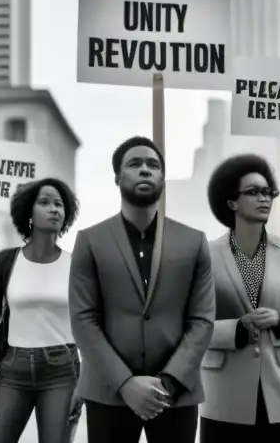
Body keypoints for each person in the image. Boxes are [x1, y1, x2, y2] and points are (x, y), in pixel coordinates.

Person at [69, 135, 215, 443]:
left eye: (153, 165)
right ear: (117, 177)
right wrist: (125, 383)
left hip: (175, 393)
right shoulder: (90, 241)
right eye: (134, 164)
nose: (145, 170)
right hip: (109, 391)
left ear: (163, 177)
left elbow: (202, 320)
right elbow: (84, 321)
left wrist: (168, 382)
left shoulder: (194, 241)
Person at [199, 154, 280, 443]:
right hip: (225, 393)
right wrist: (236, 329)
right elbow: (193, 325)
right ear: (231, 202)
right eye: (253, 192)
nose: (264, 198)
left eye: (268, 192)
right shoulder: (205, 254)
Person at [0, 177, 83, 443]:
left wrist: (84, 385)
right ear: (29, 214)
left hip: (62, 371)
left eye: (59, 204)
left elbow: (91, 327)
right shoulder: (6, 261)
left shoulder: (77, 265)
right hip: (13, 369)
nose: (54, 209)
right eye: (45, 202)